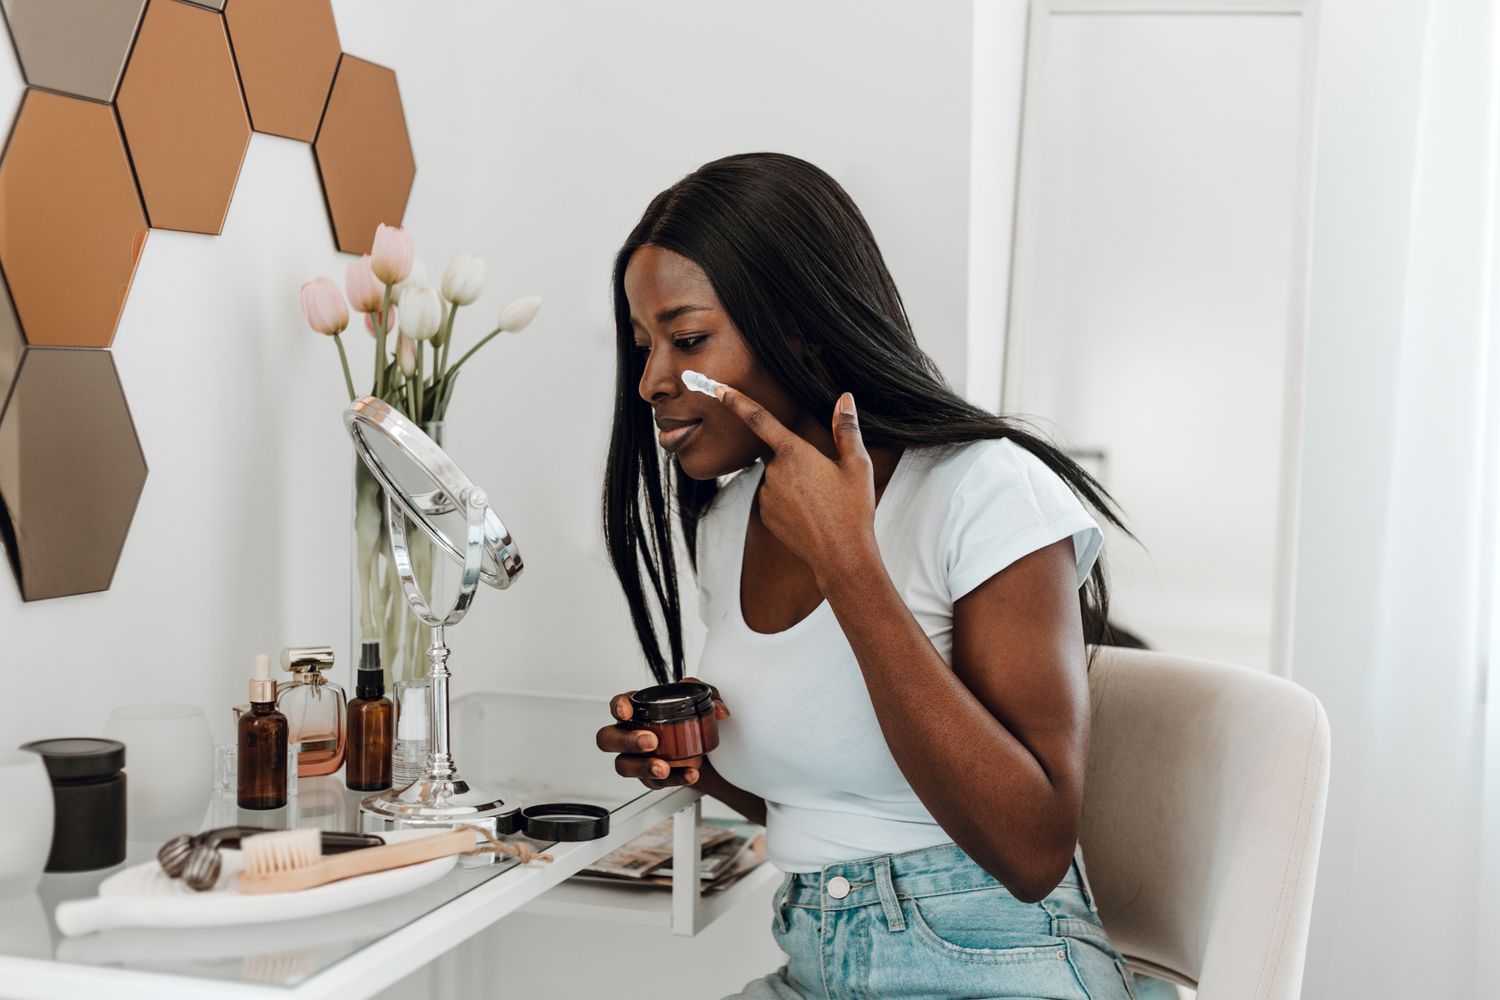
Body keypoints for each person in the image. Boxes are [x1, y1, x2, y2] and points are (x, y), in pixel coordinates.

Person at [596, 152, 1138, 1000]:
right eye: (643, 346)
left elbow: (1032, 851)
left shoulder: (983, 490)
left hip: (996, 964)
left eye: (688, 339)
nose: (652, 380)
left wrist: (850, 564)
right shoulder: (729, 520)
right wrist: (693, 761)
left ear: (801, 327)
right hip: (816, 960)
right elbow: (832, 805)